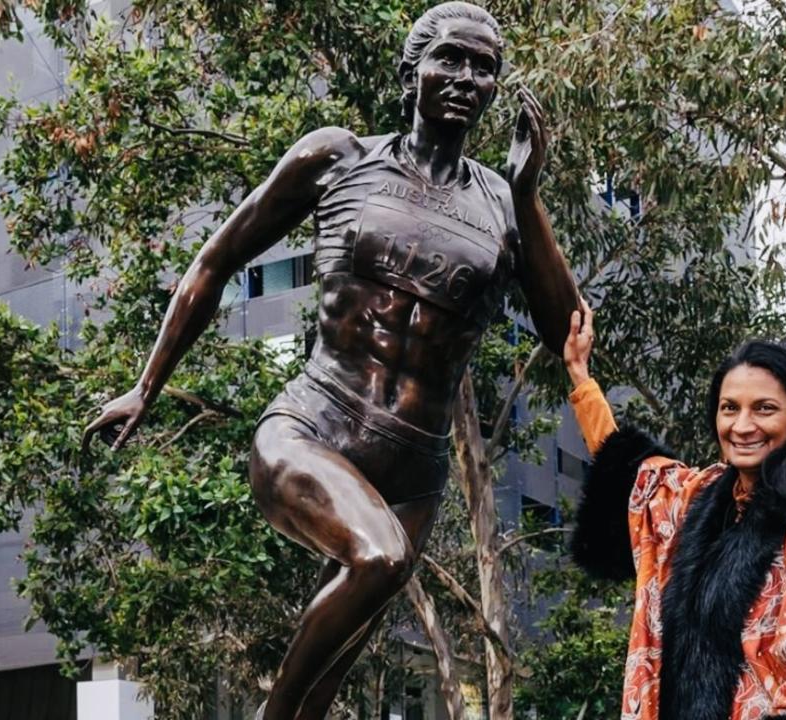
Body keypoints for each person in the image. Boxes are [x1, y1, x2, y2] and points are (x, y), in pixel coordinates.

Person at [81, 3, 579, 718]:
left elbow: (568, 334)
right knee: (378, 561)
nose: (467, 77)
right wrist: (144, 387)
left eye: (484, 66)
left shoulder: (502, 202)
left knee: (328, 684)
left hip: (414, 474)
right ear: (412, 74)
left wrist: (528, 196)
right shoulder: (340, 157)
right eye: (450, 58)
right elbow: (216, 260)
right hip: (312, 428)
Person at [563, 306, 786, 720]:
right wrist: (580, 375)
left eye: (764, 408)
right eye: (729, 408)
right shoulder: (704, 498)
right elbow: (634, 477)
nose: (742, 426)